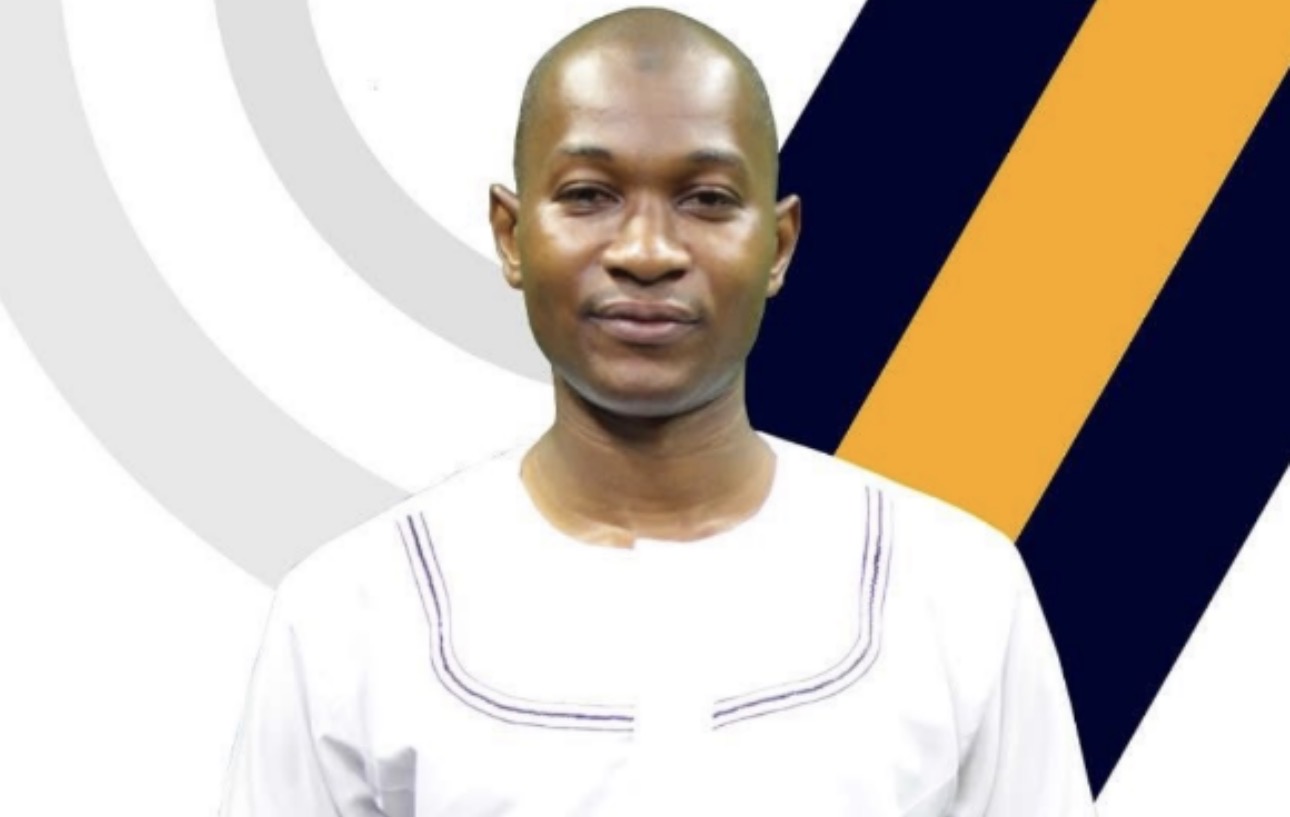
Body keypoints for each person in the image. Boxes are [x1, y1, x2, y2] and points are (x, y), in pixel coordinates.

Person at [219, 7, 1096, 816]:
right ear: (511, 235)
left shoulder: (954, 590)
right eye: (588, 194)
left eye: (707, 198)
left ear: (779, 244)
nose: (646, 252)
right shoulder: (352, 614)